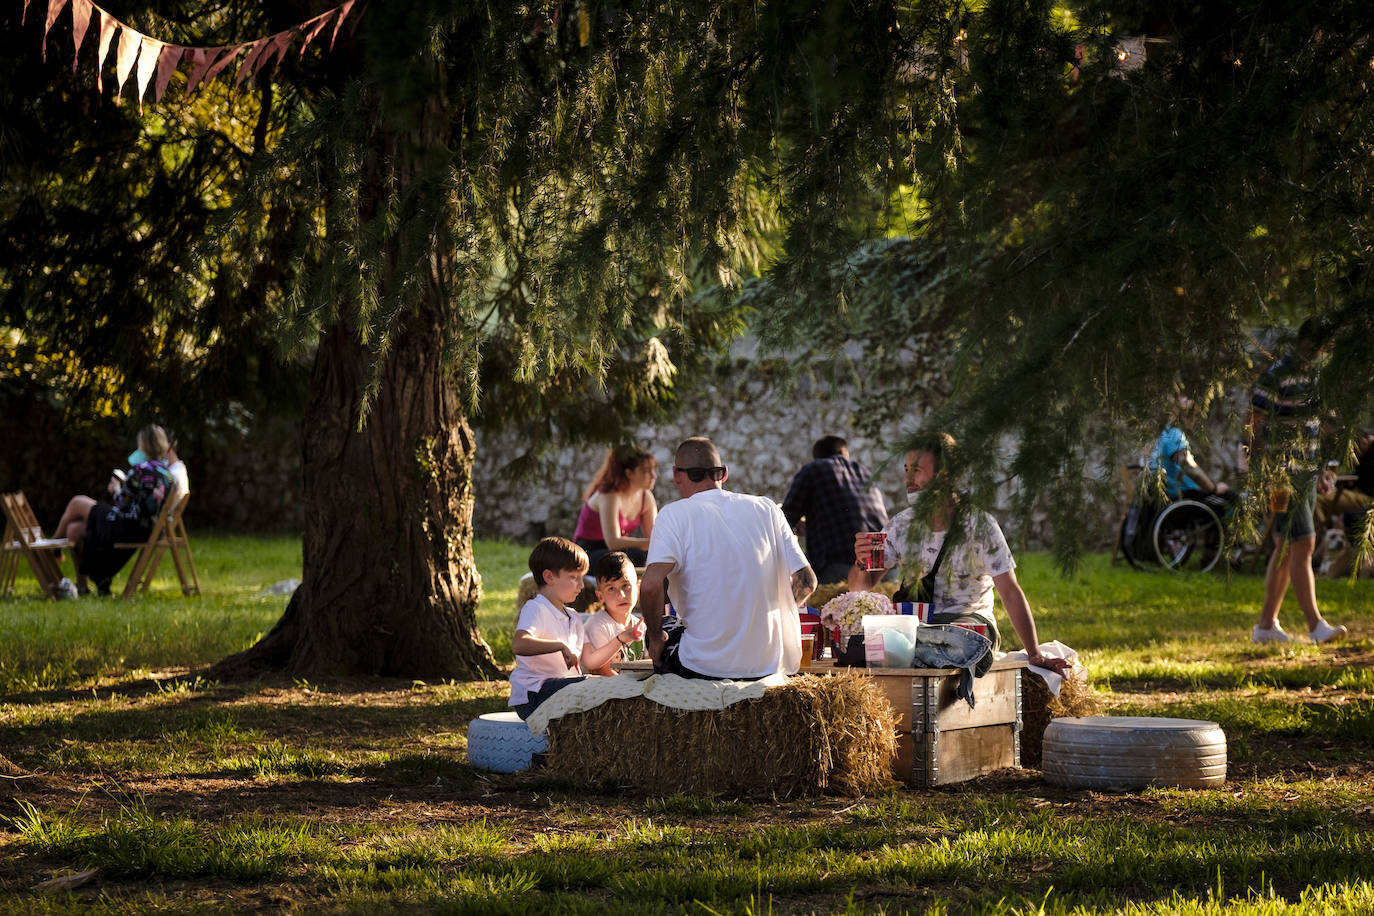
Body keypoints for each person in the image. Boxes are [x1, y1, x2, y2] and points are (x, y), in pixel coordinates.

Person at [847, 432, 1070, 675]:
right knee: (870, 639)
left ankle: (921, 651)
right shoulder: (901, 525)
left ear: (944, 476)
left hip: (967, 629)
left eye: (917, 470)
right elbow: (860, 592)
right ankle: (919, 650)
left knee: (954, 639)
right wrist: (862, 561)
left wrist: (1034, 653)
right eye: (906, 470)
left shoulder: (980, 526)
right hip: (917, 627)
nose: (907, 479)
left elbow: (1010, 592)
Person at [640, 437, 817, 680]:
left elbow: (650, 585)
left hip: (703, 667)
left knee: (664, 627)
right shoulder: (768, 509)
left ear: (677, 475)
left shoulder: (673, 515)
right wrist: (757, 614)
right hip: (769, 665)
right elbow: (807, 582)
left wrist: (656, 637)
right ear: (723, 474)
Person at [1245, 320, 1347, 644]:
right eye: (1319, 344)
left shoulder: (1314, 376)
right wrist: (1266, 469)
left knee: (1286, 545)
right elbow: (1253, 421)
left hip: (1305, 471)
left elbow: (1317, 426)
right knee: (1300, 543)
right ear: (1306, 341)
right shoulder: (1277, 374)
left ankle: (1265, 627)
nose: (1321, 351)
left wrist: (1321, 469)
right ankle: (1316, 626)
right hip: (1283, 474)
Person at [53, 425, 175, 596]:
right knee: (75, 529)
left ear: (143, 445)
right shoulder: (166, 474)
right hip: (145, 529)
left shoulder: (141, 469)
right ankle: (82, 587)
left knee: (77, 502)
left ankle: (52, 546)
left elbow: (123, 503)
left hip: (127, 526)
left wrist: (116, 489)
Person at [781, 435, 889, 584]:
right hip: (884, 567)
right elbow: (853, 516)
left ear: (817, 457)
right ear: (844, 452)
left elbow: (785, 519)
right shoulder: (864, 472)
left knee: (794, 575)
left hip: (840, 568)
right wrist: (811, 528)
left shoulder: (812, 470)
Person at [509, 537, 591, 719]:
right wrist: (559, 645)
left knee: (598, 685)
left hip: (561, 687)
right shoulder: (536, 608)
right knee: (588, 686)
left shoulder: (574, 617)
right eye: (574, 577)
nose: (582, 585)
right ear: (549, 577)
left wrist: (621, 639)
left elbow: (589, 661)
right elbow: (519, 645)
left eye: (582, 578)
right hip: (534, 694)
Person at [572, 445, 659, 568]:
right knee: (635, 556)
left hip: (617, 552)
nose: (653, 476)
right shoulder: (609, 495)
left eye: (653, 470)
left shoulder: (646, 497)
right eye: (646, 471)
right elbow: (613, 542)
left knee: (651, 556)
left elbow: (654, 536)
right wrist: (656, 543)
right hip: (587, 553)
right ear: (629, 473)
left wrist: (659, 544)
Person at [582, 551, 646, 676]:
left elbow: (648, 661)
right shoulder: (598, 626)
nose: (621, 596)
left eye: (626, 585)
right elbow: (602, 670)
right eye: (611, 588)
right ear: (600, 596)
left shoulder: (641, 625)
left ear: (638, 588)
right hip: (610, 689)